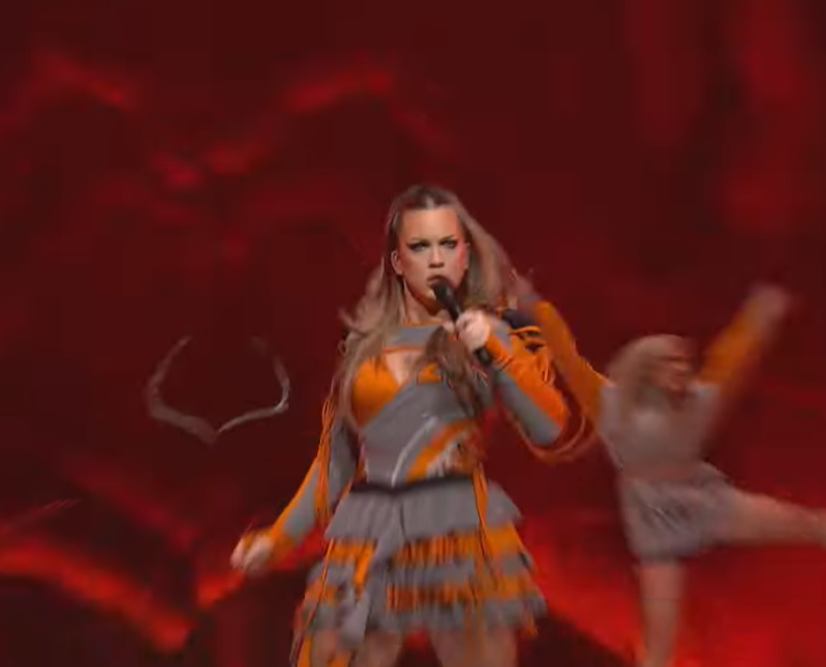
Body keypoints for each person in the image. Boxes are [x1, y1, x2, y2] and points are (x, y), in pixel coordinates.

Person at [228, 184, 591, 667]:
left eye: (447, 245)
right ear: (397, 261)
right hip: (370, 528)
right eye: (420, 246)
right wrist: (278, 539)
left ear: (465, 256)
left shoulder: (486, 336)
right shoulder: (362, 350)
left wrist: (498, 353)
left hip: (458, 526)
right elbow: (334, 464)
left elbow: (550, 427)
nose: (436, 259)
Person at [517, 283, 826, 667]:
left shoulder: (693, 410)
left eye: (681, 369)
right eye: (670, 368)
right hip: (659, 539)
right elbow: (568, 357)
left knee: (806, 523)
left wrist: (762, 313)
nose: (679, 377)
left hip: (707, 509)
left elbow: (730, 365)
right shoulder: (613, 412)